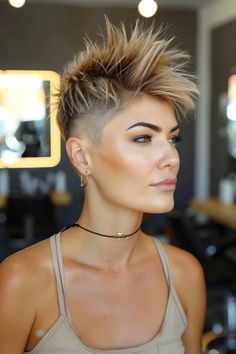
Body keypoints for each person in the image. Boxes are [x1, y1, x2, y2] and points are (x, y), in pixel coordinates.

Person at [0, 18, 206, 354]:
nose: (171, 157)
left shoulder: (184, 274)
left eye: (172, 139)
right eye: (142, 138)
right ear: (81, 157)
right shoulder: (21, 281)